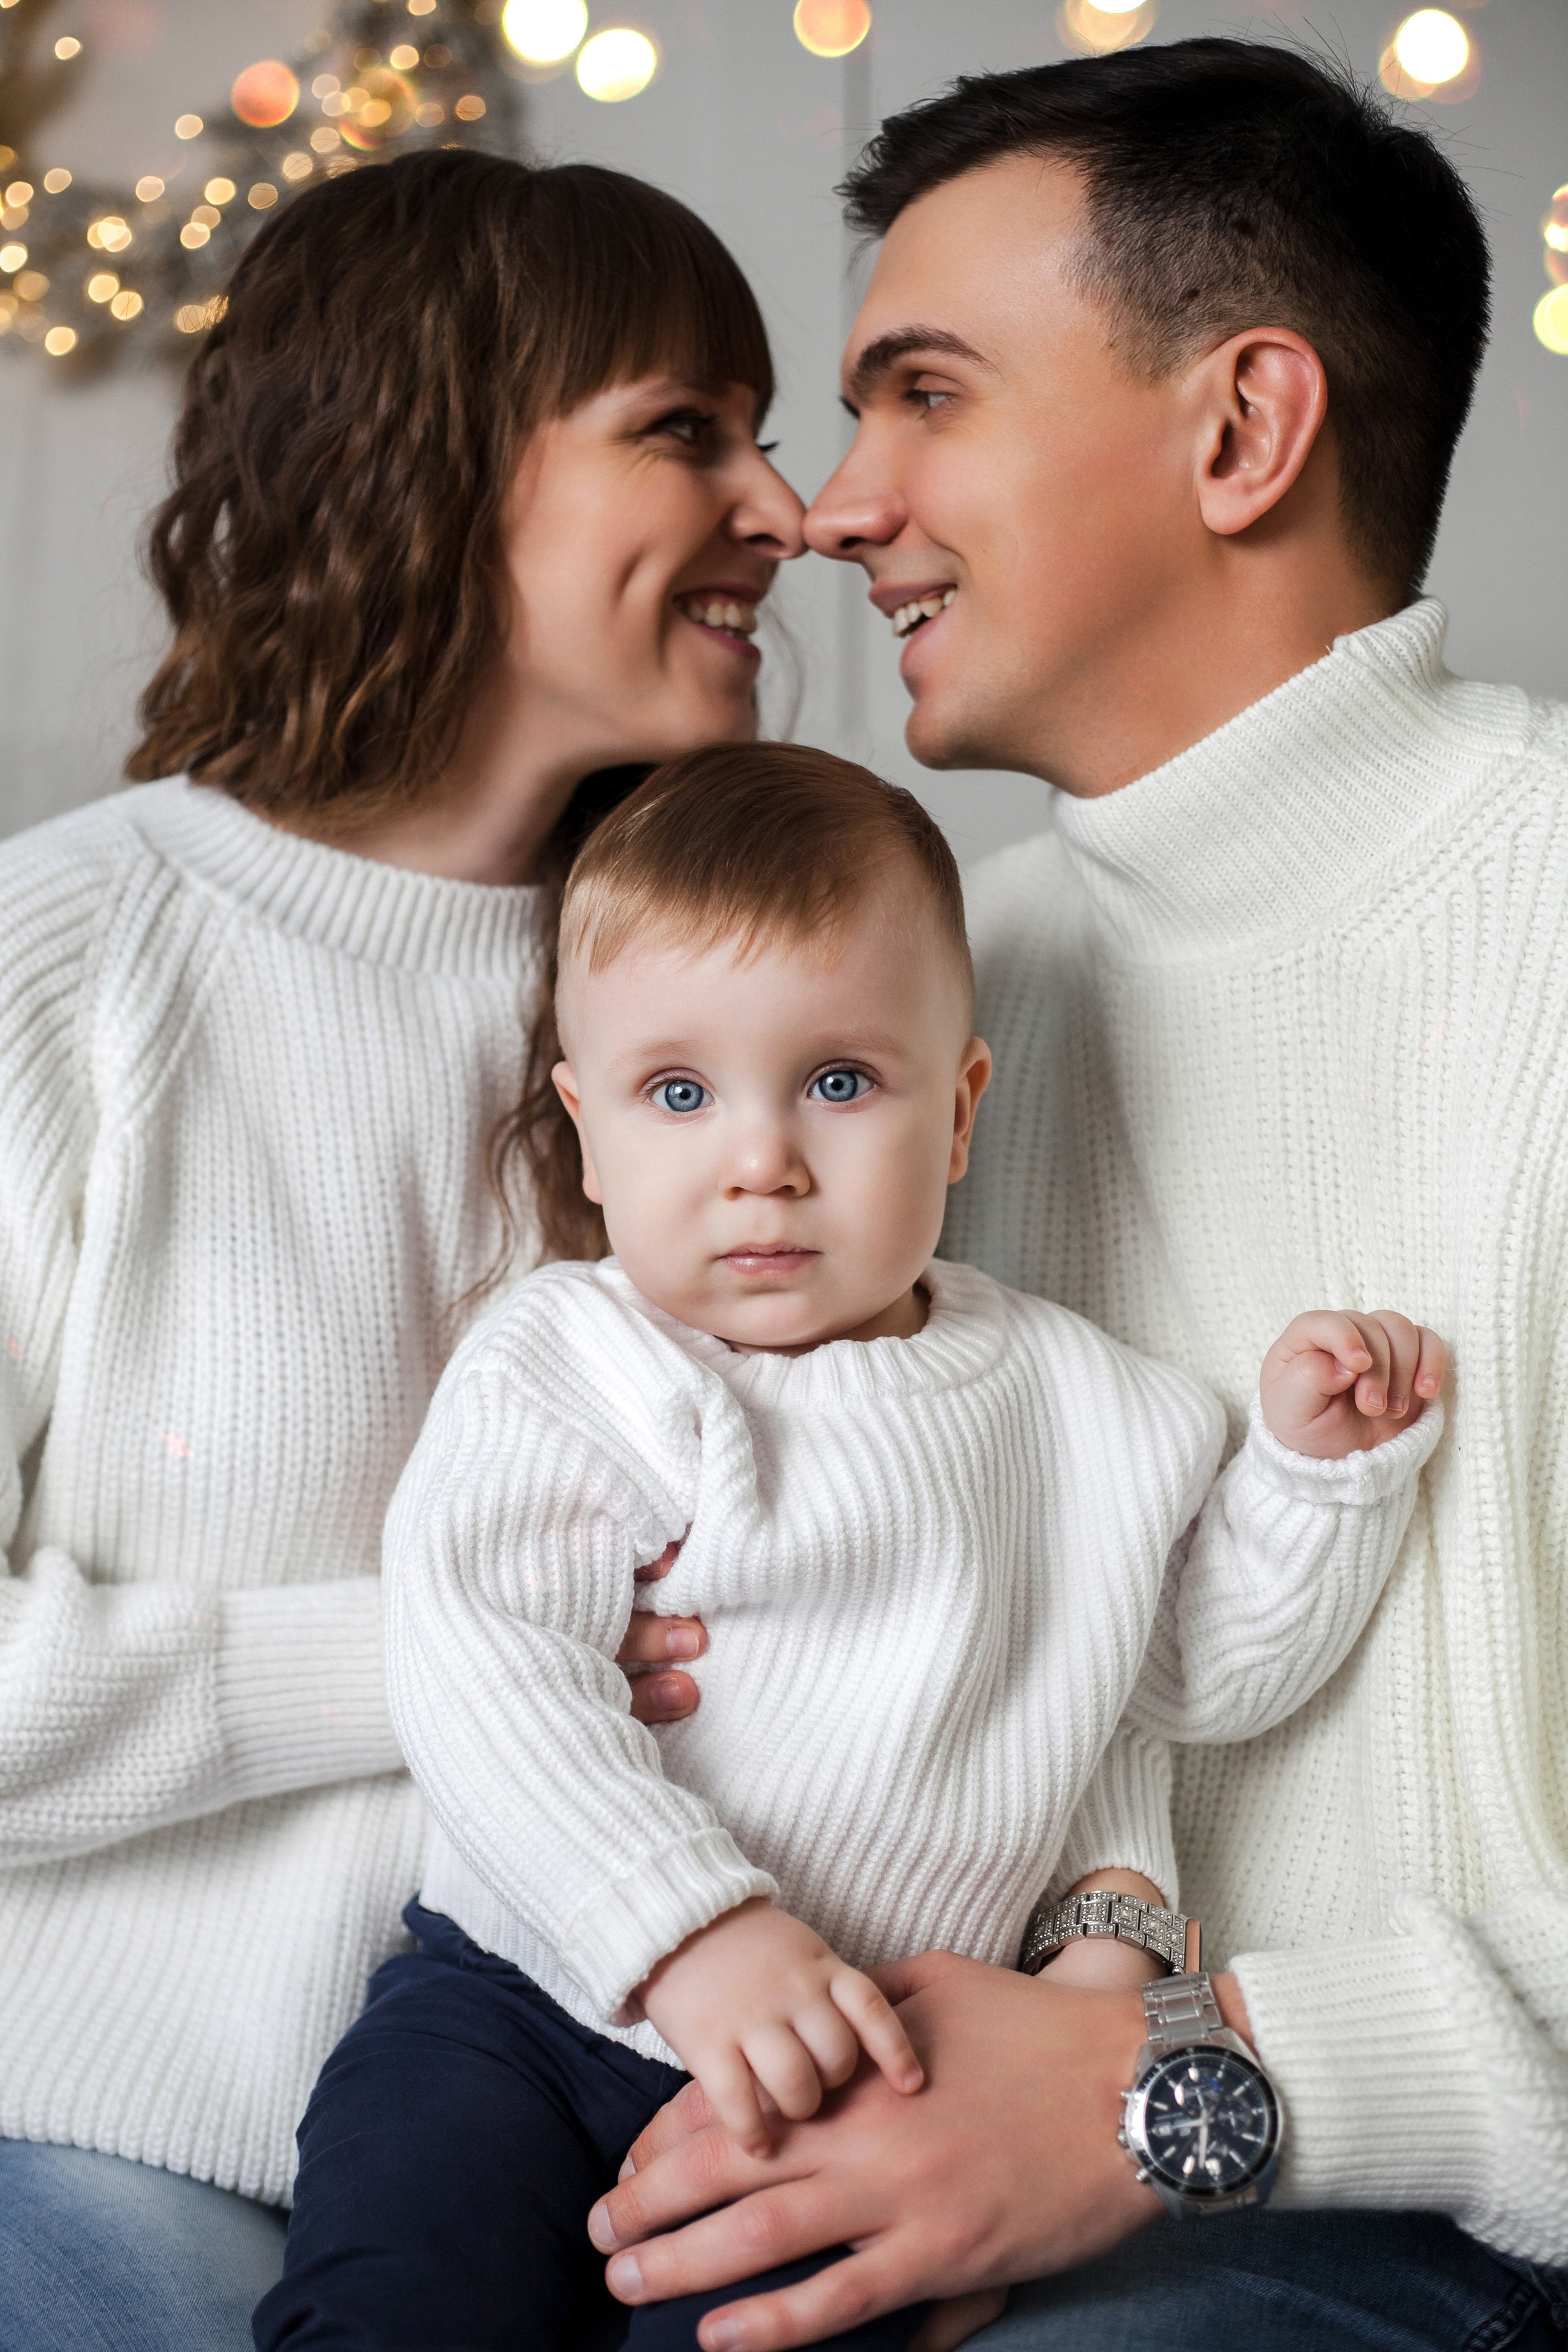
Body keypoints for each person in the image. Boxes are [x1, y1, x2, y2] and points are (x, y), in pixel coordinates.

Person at [581, 41, 1568, 2352]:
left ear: (1242, 431)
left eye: (926, 395)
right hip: (900, 2111)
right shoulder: (917, 1013)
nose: (830, 506)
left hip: (1434, 2218)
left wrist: (1189, 2081)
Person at [257, 742, 1443, 2352]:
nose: (763, 1160)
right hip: (527, 2004)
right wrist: (693, 1928)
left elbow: (1196, 1673)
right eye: (680, 1094)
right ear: (588, 1134)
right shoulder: (575, 1363)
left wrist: (1316, 1480)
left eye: (838, 1082)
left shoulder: (1093, 1405)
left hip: (871, 2066)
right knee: (397, 2301)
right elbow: (486, 1659)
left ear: (957, 1111)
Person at [0, 148, 803, 2350]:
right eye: (686, 431)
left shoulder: (743, 1010)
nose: (788, 504)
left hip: (628, 2183)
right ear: (427, 454)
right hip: (101, 2142)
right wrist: (446, 1649)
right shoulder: (63, 963)